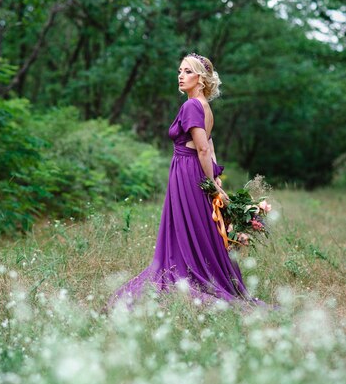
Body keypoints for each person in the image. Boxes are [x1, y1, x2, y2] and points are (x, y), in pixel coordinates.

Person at [108, 52, 257, 308]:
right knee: (195, 227)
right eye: (180, 71)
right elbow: (209, 146)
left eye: (187, 71)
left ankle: (187, 276)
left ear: (200, 79)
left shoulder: (191, 106)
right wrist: (216, 178)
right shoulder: (204, 107)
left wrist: (212, 185)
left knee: (187, 227)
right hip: (193, 171)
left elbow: (202, 149)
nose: (180, 76)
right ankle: (202, 273)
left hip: (189, 172)